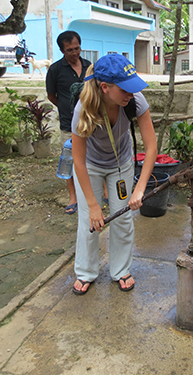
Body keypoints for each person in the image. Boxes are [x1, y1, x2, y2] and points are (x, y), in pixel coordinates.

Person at [70, 54, 157, 295]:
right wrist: (92, 203)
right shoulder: (83, 108)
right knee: (90, 219)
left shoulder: (135, 101)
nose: (131, 93)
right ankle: (86, 271)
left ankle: (120, 269)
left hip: (121, 164)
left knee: (123, 217)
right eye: (125, 89)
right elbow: (78, 160)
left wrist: (140, 188)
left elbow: (151, 148)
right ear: (105, 87)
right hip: (90, 165)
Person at [47, 31, 93, 215]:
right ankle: (73, 197)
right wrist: (67, 109)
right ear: (62, 50)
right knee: (71, 160)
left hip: (91, 121)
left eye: (77, 48)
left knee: (93, 158)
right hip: (69, 124)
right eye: (69, 50)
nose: (74, 53)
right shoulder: (55, 70)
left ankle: (98, 192)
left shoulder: (89, 66)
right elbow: (51, 95)